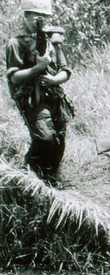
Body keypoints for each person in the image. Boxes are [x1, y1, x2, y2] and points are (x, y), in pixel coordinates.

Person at [5, 0, 74, 186]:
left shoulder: (52, 43)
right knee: (45, 139)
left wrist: (54, 79)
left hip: (55, 97)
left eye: (43, 16)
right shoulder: (16, 43)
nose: (39, 20)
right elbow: (15, 78)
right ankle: (28, 175)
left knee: (59, 140)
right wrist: (38, 67)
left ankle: (49, 178)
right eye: (35, 15)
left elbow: (65, 70)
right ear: (25, 16)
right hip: (32, 99)